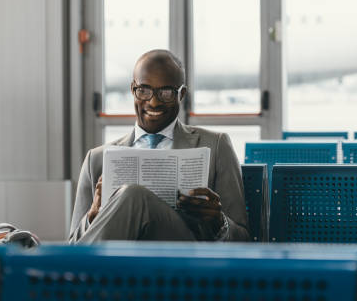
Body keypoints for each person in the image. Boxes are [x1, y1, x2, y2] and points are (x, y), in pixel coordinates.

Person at [69, 49, 249, 243]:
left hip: (186, 257)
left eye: (165, 92)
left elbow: (243, 239)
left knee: (133, 195)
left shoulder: (216, 146)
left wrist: (218, 221)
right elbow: (73, 242)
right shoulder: (96, 159)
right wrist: (93, 215)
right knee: (131, 196)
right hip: (123, 265)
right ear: (133, 90)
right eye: (144, 90)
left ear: (181, 94)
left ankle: (72, 273)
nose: (153, 102)